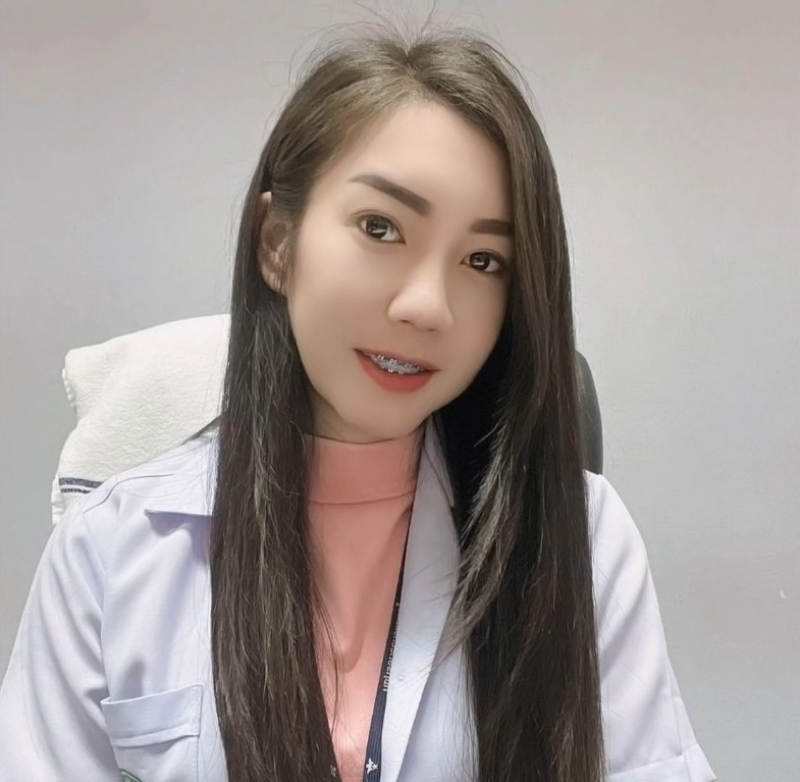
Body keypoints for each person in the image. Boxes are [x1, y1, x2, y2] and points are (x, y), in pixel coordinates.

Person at [0, 23, 716, 782]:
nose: (427, 305)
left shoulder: (581, 537)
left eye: (483, 260)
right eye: (381, 228)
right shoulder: (109, 551)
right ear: (276, 243)